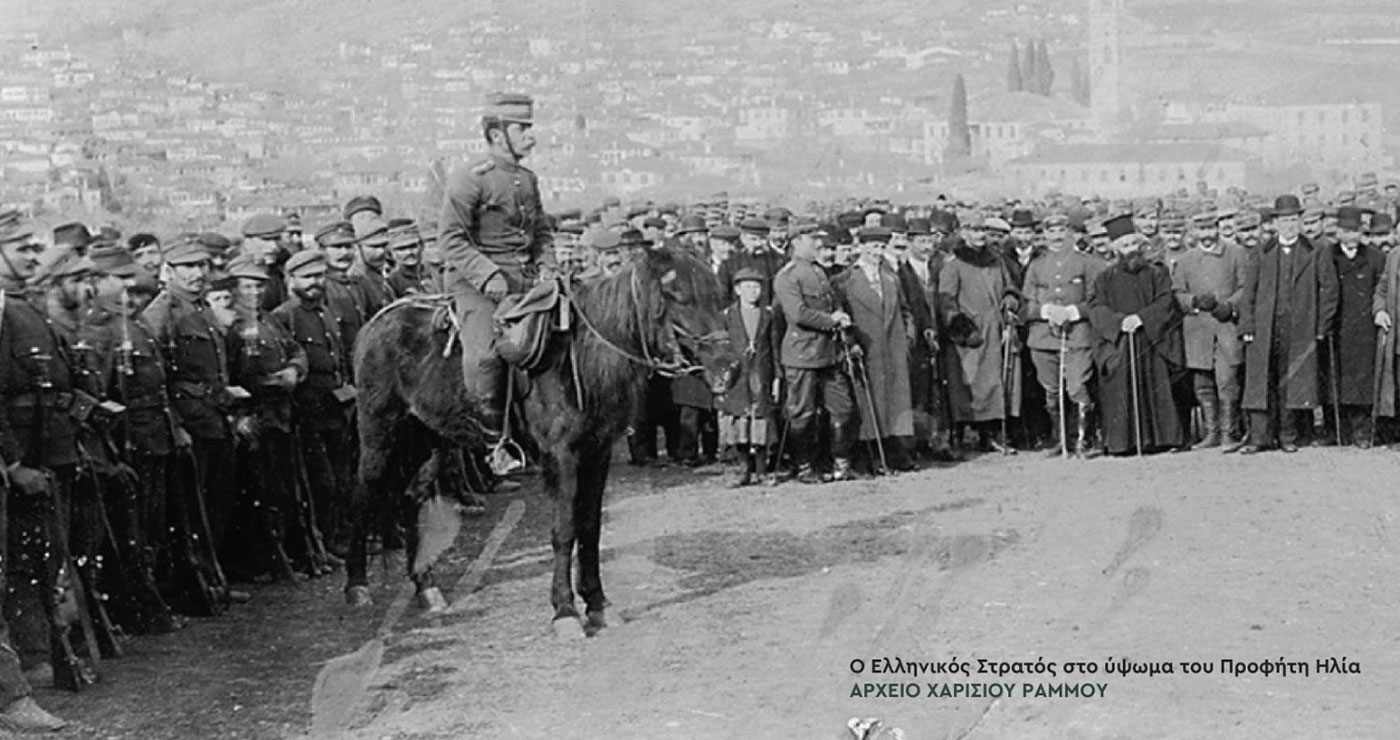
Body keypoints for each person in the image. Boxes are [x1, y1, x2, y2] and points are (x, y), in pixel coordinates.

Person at [437, 92, 552, 441]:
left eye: (530, 128)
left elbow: (541, 233)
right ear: (497, 134)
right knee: (487, 357)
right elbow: (451, 240)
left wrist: (548, 265)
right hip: (476, 284)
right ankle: (489, 443)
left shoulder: (527, 179)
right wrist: (488, 276)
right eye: (522, 129)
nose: (530, 136)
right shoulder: (470, 178)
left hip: (525, 281)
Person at [1237, 195, 1339, 454]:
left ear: (1300, 221)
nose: (1290, 225)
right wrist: (1247, 325)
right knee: (1262, 380)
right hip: (1265, 327)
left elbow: (1329, 291)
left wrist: (1321, 326)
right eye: (1284, 220)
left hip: (1300, 328)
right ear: (1275, 223)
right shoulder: (1262, 251)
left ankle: (1288, 436)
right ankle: (1260, 437)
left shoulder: (1315, 250)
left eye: (1294, 220)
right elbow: (1248, 293)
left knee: (1291, 381)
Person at [272, 251, 357, 555]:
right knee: (321, 482)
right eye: (307, 277)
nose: (315, 282)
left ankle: (338, 535)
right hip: (308, 411)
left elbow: (338, 356)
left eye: (319, 276)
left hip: (337, 407)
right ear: (291, 279)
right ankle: (323, 541)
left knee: (342, 475)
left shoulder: (326, 312)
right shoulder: (284, 316)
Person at [1087, 215, 1185, 455]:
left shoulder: (1157, 273)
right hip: (1120, 343)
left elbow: (1166, 301)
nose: (1131, 250)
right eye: (1125, 246)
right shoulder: (1104, 279)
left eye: (1134, 244)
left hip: (1152, 342)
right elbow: (1096, 308)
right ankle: (1124, 443)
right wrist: (1119, 322)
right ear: (1116, 249)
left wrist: (1141, 318)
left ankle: (1161, 440)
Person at [772, 224, 859, 482]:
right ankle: (805, 468)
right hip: (802, 354)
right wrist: (832, 321)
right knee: (803, 412)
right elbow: (798, 314)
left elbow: (832, 303)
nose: (818, 245)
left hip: (830, 353)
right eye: (813, 240)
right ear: (796, 242)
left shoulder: (818, 271)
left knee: (842, 408)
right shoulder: (787, 276)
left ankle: (841, 465)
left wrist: (841, 315)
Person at [1021, 212, 1106, 457]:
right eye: (1051, 231)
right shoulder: (1036, 265)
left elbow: (1098, 300)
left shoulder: (1088, 263)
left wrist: (1072, 312)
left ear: (1070, 233)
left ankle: (1082, 439)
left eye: (1061, 230)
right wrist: (1046, 310)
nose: (1057, 236)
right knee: (1051, 390)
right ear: (1044, 234)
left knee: (1076, 386)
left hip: (1077, 336)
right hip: (1043, 337)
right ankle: (1061, 439)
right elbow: (1026, 303)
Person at [833, 226, 916, 472]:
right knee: (868, 402)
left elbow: (905, 311)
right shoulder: (845, 281)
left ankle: (894, 451)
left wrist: (908, 337)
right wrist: (851, 343)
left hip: (893, 348)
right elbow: (841, 317)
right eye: (873, 247)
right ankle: (868, 456)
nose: (877, 253)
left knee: (894, 402)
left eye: (881, 247)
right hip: (865, 349)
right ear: (861, 248)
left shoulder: (891, 279)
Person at [938, 219, 1021, 453]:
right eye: (974, 230)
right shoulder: (954, 264)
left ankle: (992, 434)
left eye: (983, 230)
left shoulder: (996, 261)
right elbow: (946, 301)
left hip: (996, 331)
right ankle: (963, 434)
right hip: (970, 336)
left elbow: (1010, 287)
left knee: (996, 383)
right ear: (964, 233)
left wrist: (1010, 299)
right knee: (968, 386)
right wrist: (963, 330)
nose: (979, 235)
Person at [1173, 211, 1248, 450]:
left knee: (1227, 380)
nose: (1206, 234)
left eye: (1210, 228)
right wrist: (1193, 301)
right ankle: (1211, 432)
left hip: (1226, 327)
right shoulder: (1185, 260)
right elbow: (1177, 292)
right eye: (1201, 229)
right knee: (1202, 384)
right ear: (1193, 231)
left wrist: (1229, 306)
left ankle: (1229, 433)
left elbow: (1246, 287)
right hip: (1197, 331)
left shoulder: (1235, 253)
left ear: (1217, 228)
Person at [1322, 206, 1385, 446]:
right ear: (1337, 232)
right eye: (1346, 231)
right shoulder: (1327, 255)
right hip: (1336, 326)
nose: (1351, 236)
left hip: (1363, 329)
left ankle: (1362, 431)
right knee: (1334, 379)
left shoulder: (1375, 257)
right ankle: (1336, 431)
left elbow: (1381, 290)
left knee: (1362, 381)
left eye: (1355, 230)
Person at [719, 268, 782, 487]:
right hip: (737, 378)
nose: (753, 291)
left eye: (757, 287)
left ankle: (762, 471)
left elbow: (774, 348)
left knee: (761, 423)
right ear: (737, 290)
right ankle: (743, 470)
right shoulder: (727, 316)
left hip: (761, 376)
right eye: (747, 287)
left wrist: (777, 377)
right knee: (740, 424)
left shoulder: (768, 315)